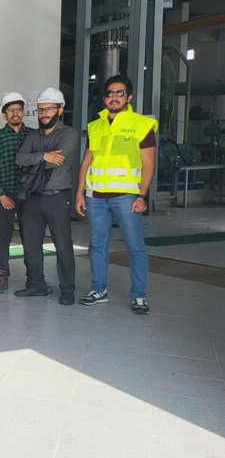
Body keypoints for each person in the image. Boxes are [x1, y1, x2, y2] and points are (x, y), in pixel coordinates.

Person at [76, 74, 156, 314]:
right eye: (110, 93)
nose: (114, 97)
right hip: (96, 196)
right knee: (97, 246)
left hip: (127, 196)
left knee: (135, 247)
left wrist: (142, 196)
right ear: (104, 98)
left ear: (129, 97)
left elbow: (149, 163)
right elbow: (86, 161)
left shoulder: (142, 125)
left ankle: (139, 295)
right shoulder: (95, 125)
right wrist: (80, 193)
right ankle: (98, 290)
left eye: (119, 93)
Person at [15, 87, 79, 304]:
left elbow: (58, 159)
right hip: (32, 197)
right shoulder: (33, 135)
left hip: (57, 198)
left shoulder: (69, 134)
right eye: (41, 110)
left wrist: (34, 160)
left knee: (62, 244)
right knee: (31, 244)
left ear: (60, 110)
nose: (43, 114)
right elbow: (19, 159)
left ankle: (68, 289)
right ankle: (36, 284)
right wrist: (43, 156)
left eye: (48, 109)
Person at [0, 91, 31, 294]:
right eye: (11, 110)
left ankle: (35, 278)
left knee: (30, 236)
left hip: (29, 195)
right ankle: (1, 276)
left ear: (23, 112)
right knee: (3, 237)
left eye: (18, 110)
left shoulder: (32, 135)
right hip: (5, 195)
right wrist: (2, 195)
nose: (15, 114)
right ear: (4, 115)